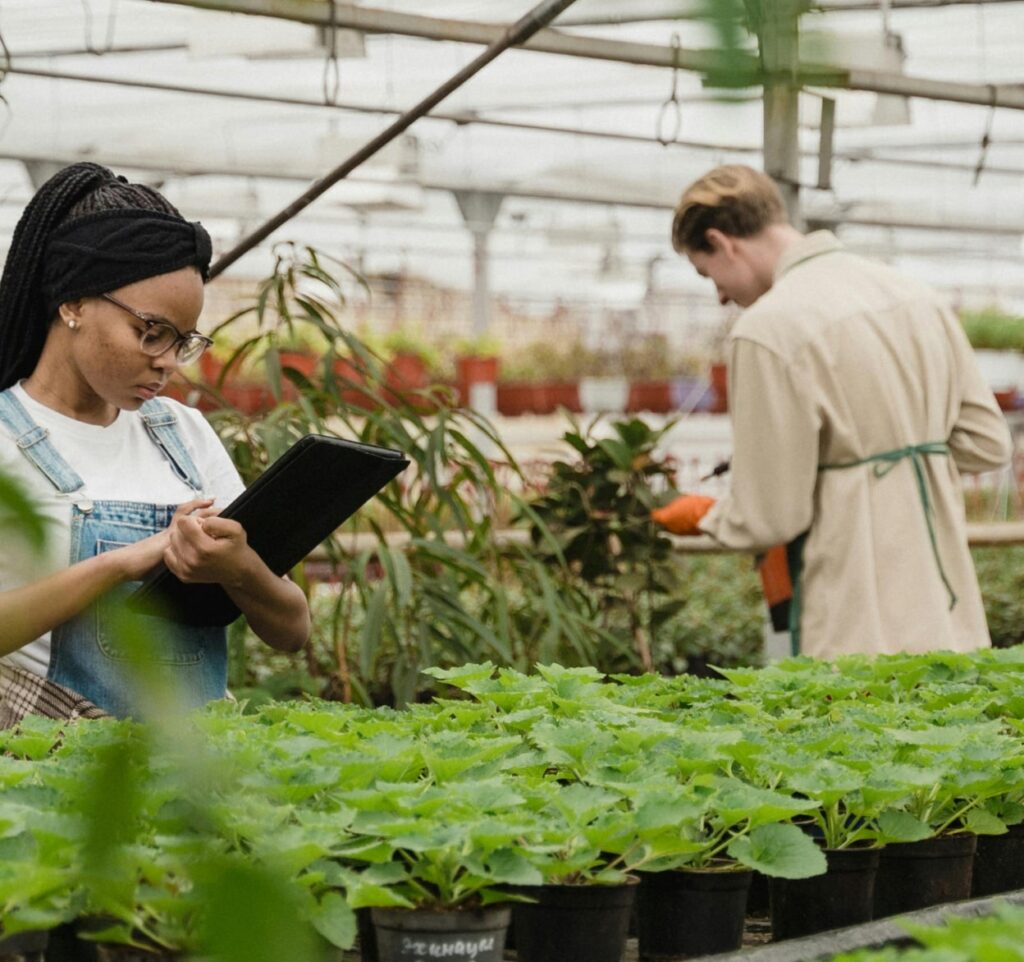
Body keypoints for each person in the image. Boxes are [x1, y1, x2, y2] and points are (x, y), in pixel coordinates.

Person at [652, 164, 1012, 659]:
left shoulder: (767, 329)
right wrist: (901, 449)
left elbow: (772, 516)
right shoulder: (917, 297)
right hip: (948, 610)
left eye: (705, 270)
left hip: (855, 619)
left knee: (855, 729)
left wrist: (706, 516)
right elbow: (987, 444)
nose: (717, 294)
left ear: (723, 242)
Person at [0, 162, 310, 723]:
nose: (167, 362)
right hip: (48, 778)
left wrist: (239, 567)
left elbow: (291, 629)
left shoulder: (181, 433)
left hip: (190, 771)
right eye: (150, 332)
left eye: (182, 340)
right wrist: (125, 563)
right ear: (72, 302)